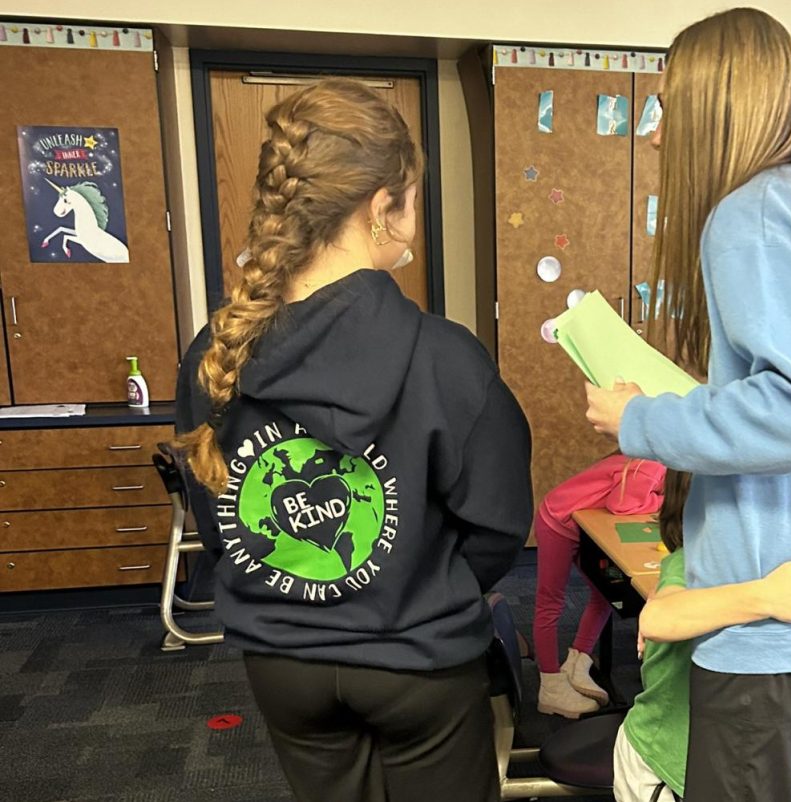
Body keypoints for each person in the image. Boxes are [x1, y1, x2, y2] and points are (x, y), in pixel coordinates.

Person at [583, 9, 791, 800]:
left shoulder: (753, 214)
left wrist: (641, 423)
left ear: (710, 107)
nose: (655, 134)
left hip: (778, 608)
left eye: (664, 106)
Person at [174, 79, 532, 802]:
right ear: (382, 207)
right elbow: (497, 525)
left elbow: (217, 513)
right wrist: (416, 586)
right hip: (418, 660)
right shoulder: (446, 357)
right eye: (412, 201)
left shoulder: (214, 351)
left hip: (282, 663)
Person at [613, 471, 791, 802]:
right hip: (661, 764)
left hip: (723, 755)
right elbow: (658, 618)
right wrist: (766, 597)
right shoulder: (695, 562)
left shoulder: (755, 570)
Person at [534, 453, 666, 718]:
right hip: (557, 521)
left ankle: (578, 660)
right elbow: (622, 504)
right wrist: (665, 501)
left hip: (579, 522)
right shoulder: (652, 465)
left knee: (605, 593)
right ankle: (549, 685)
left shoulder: (653, 461)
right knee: (551, 602)